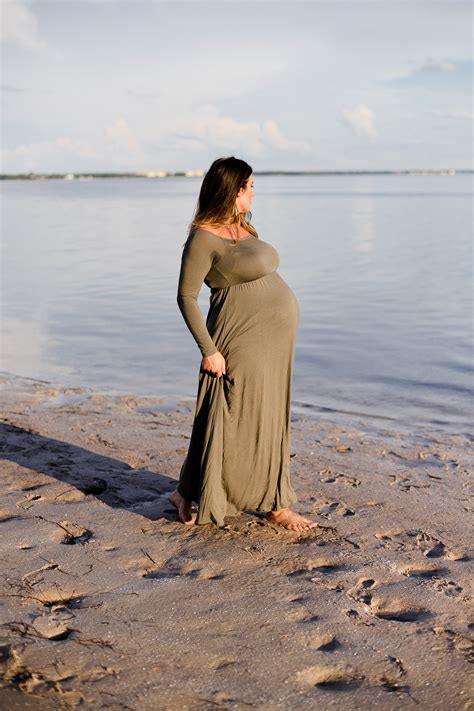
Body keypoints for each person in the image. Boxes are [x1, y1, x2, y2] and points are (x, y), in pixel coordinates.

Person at [169, 156, 317, 532]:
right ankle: (198, 491)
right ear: (234, 191)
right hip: (239, 337)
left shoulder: (243, 227)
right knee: (232, 413)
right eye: (250, 186)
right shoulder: (202, 238)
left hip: (275, 341)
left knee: (270, 414)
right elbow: (186, 298)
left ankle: (276, 503)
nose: (255, 191)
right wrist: (209, 350)